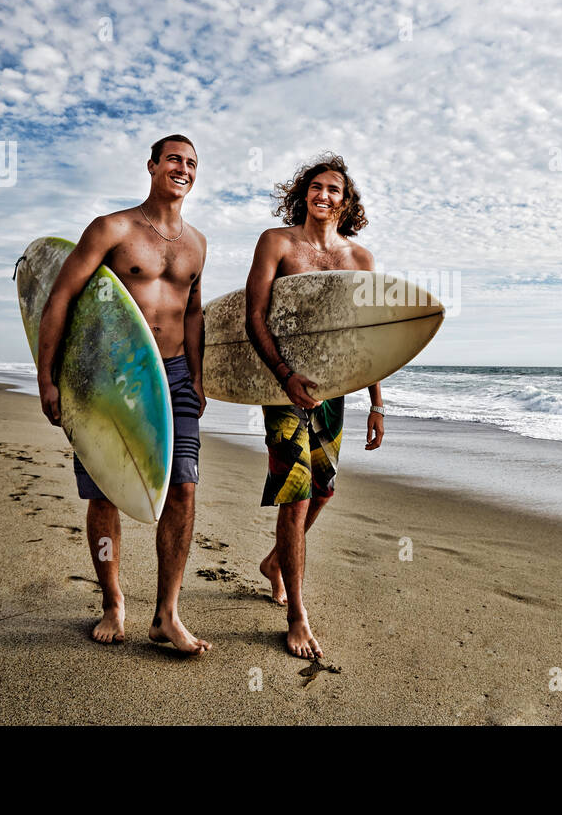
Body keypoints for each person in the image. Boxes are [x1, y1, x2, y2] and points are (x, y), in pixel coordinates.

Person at [35, 134, 211, 653]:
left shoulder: (198, 243)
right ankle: (113, 602)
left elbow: (194, 311)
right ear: (153, 165)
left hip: (175, 374)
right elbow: (62, 297)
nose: (183, 168)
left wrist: (198, 376)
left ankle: (167, 614)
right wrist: (47, 376)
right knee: (108, 489)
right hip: (111, 379)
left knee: (182, 487)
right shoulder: (113, 228)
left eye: (192, 163)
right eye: (174, 159)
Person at [244, 153, 385, 659]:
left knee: (323, 490)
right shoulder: (277, 243)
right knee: (296, 494)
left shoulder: (359, 260)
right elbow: (253, 317)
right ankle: (296, 615)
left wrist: (377, 403)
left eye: (336, 191)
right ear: (304, 192)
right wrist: (283, 376)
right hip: (282, 388)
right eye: (318, 187)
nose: (325, 196)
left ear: (346, 203)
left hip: (335, 389)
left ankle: (275, 560)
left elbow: (368, 340)